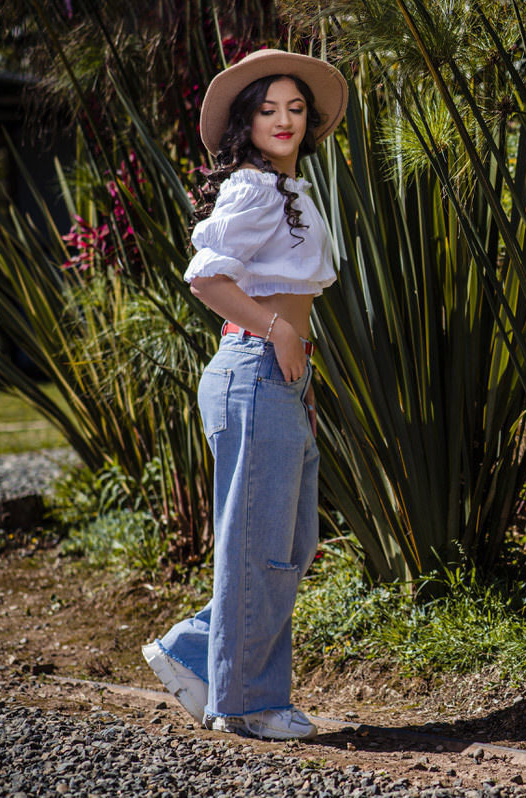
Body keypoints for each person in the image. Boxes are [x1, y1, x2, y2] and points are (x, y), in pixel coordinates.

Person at [141, 49, 347, 741]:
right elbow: (206, 277)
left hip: (277, 375)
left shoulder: (286, 191)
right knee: (260, 544)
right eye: (268, 110)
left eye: (295, 109)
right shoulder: (254, 188)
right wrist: (278, 332)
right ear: (246, 123)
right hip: (256, 364)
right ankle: (249, 704)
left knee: (286, 541)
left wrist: (296, 362)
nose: (284, 120)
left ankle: (195, 653)